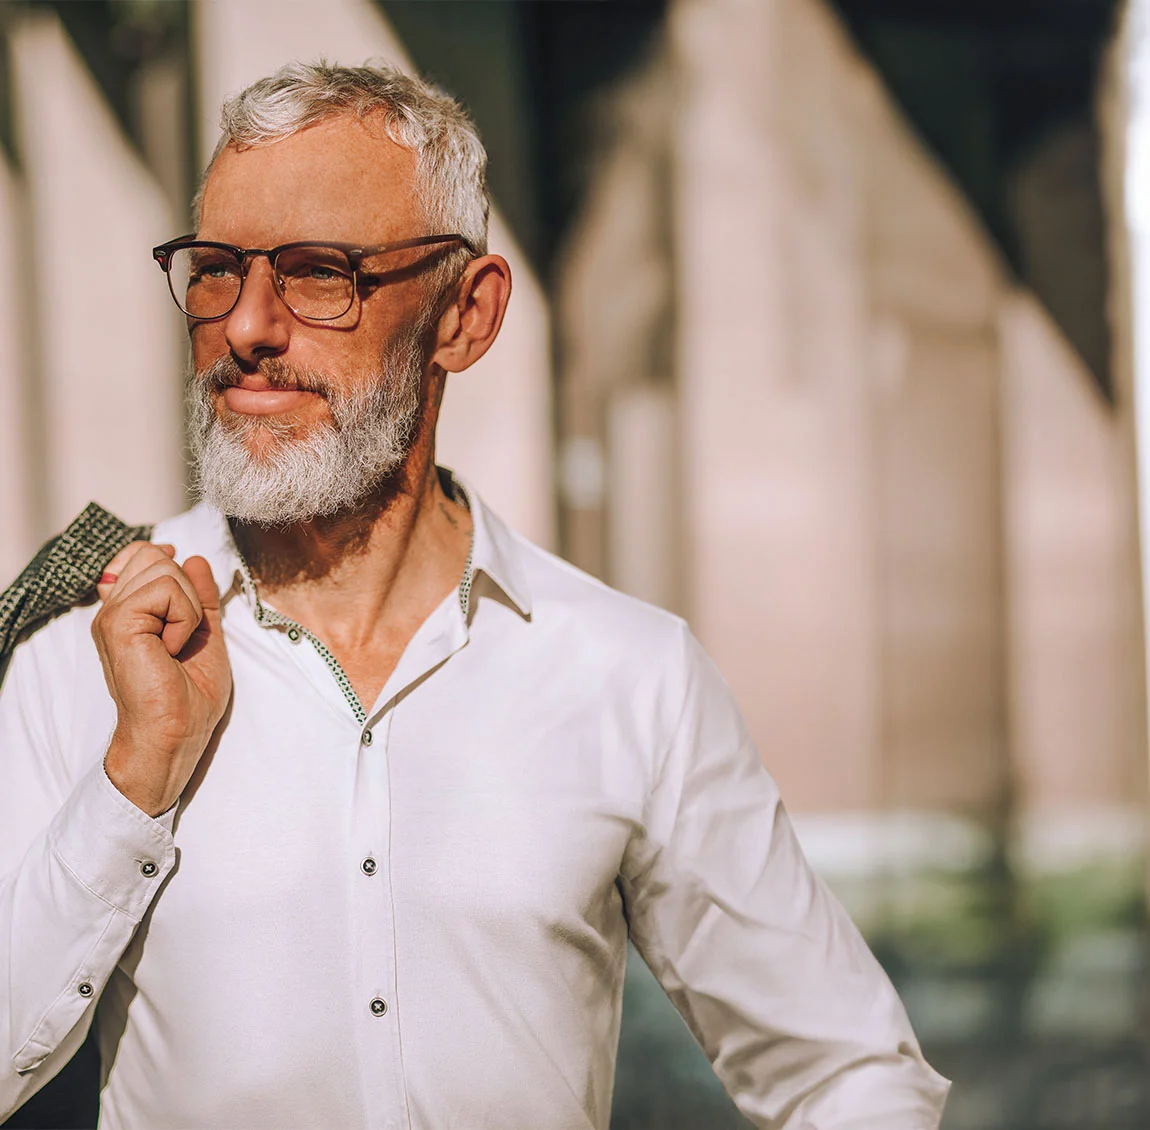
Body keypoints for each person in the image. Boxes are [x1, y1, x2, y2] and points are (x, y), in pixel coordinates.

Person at [0, 62, 949, 1130]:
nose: (249, 326)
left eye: (320, 273)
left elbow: (846, 1070)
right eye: (217, 269)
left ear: (464, 313)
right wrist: (135, 776)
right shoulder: (81, 642)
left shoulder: (628, 674)